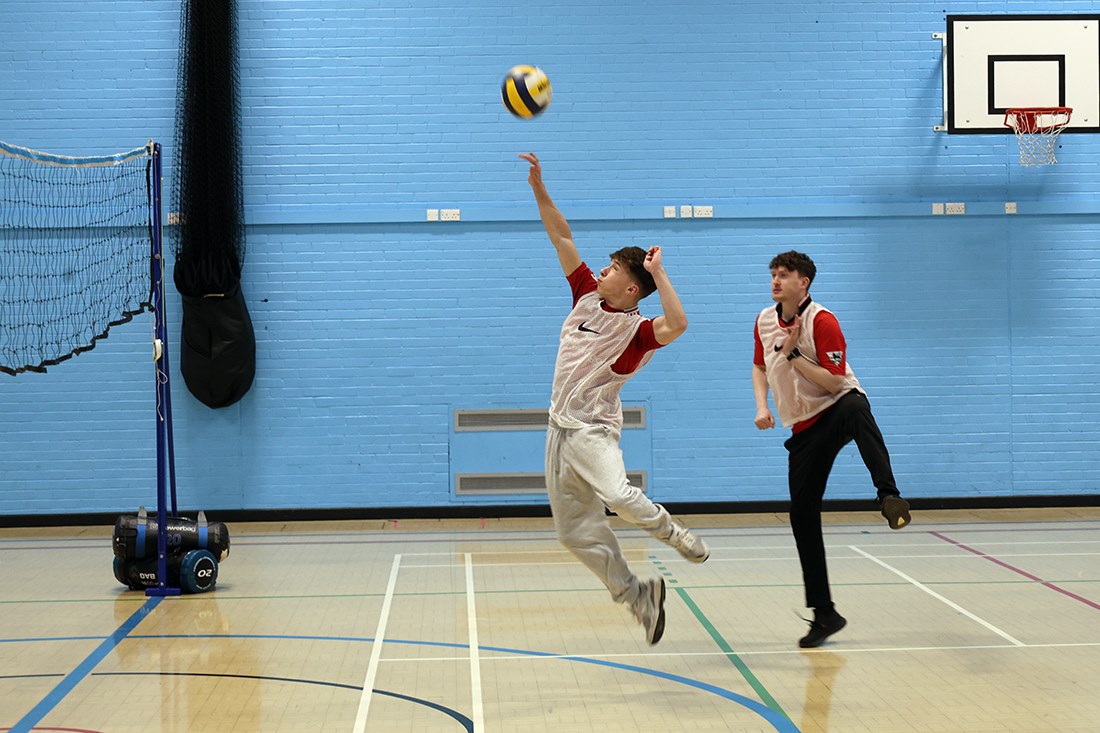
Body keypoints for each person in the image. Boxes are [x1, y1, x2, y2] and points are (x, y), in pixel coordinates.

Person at [519, 152, 709, 646]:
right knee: (573, 533)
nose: (600, 270)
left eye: (611, 269)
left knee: (620, 496)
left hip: (593, 431)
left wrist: (658, 273)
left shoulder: (637, 332)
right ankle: (639, 596)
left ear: (630, 288)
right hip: (558, 431)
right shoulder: (585, 294)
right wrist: (539, 188)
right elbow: (562, 237)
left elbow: (679, 324)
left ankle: (673, 533)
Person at [751, 250, 911, 648]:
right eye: (773, 274)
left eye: (784, 274)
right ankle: (825, 614)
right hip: (803, 429)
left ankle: (889, 495)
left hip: (834, 408)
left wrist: (793, 355)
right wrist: (761, 406)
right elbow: (759, 366)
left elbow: (835, 383)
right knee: (802, 515)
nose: (775, 281)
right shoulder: (764, 320)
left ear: (803, 282)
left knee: (857, 406)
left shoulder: (823, 322)